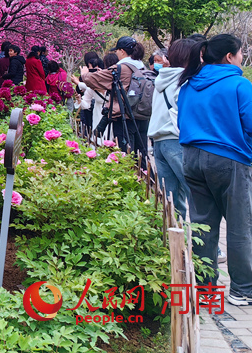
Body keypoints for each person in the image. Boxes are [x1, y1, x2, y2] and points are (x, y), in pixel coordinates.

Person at [177, 34, 252, 305]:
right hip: (229, 160)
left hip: (191, 159)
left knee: (202, 225)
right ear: (229, 57)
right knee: (240, 225)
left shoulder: (188, 84)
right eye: (241, 53)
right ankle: (242, 290)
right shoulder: (239, 85)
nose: (242, 57)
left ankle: (207, 291)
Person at [81, 37, 147, 164]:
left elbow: (93, 80)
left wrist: (85, 74)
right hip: (143, 116)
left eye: (117, 51)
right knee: (141, 156)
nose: (116, 54)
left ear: (122, 51)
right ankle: (145, 181)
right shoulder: (142, 67)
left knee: (125, 156)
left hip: (124, 118)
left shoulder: (121, 68)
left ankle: (128, 181)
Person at [148, 39, 193, 220]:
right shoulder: (185, 81)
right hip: (176, 140)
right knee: (196, 194)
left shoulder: (162, 77)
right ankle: (207, 246)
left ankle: (175, 238)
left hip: (159, 142)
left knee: (171, 197)